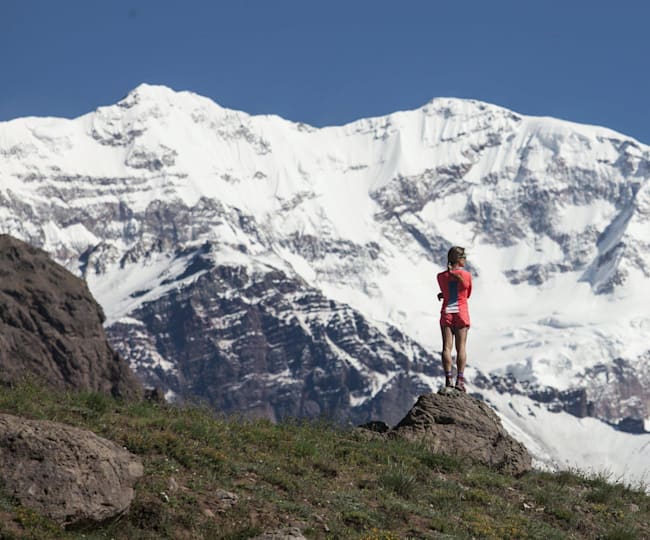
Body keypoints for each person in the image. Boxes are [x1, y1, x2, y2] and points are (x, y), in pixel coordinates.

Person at [436, 246, 472, 392]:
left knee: (446, 347)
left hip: (447, 313)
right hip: (461, 313)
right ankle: (460, 381)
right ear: (459, 259)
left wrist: (443, 294)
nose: (465, 260)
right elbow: (466, 294)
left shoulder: (440, 276)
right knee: (461, 347)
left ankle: (448, 379)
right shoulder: (466, 275)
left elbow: (447, 291)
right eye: (464, 257)